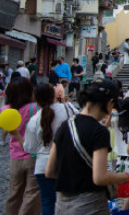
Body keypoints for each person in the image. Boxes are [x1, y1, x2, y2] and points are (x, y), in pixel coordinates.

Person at [45, 79, 129, 214]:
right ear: (110, 103)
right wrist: (123, 177)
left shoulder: (65, 126)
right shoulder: (99, 131)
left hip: (62, 205)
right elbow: (100, 177)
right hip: (90, 205)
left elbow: (50, 171)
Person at [23, 83, 76, 215]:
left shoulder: (34, 119)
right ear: (54, 94)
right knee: (69, 201)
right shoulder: (67, 109)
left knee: (47, 202)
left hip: (43, 166)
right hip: (66, 163)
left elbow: (30, 147)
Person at [3, 77, 41, 215]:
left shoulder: (5, 110)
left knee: (14, 192)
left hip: (15, 156)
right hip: (33, 156)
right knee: (32, 193)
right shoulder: (35, 107)